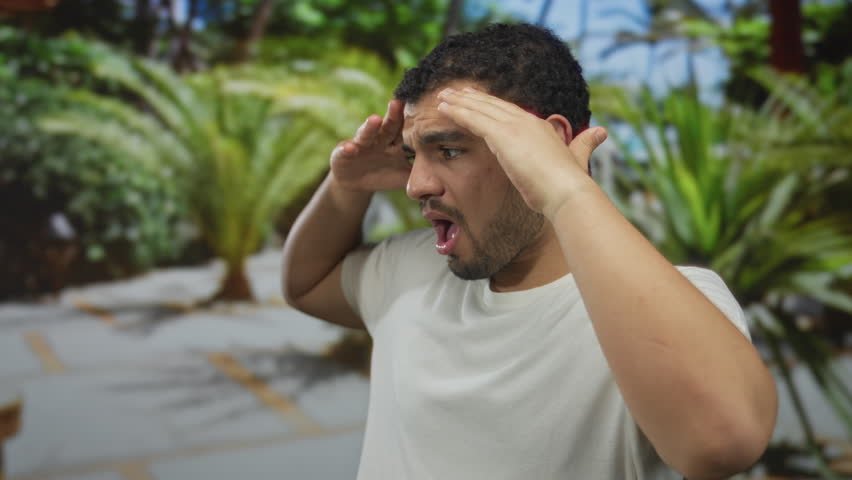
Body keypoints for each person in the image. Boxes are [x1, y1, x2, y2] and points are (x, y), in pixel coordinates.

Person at [281, 23, 777, 479]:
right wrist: (347, 187)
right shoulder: (411, 268)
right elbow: (306, 284)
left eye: (449, 151)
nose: (416, 185)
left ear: (548, 144)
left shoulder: (674, 301)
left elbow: (722, 442)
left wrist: (564, 186)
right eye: (414, 156)